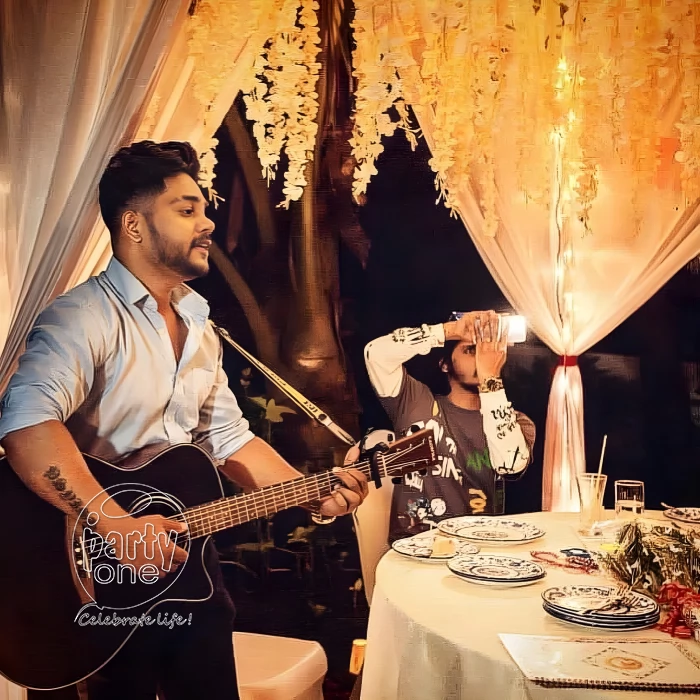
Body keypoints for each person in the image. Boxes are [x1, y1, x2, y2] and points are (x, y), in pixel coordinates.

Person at [0, 140, 368, 699]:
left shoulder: (198, 322)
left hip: (186, 566)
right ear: (133, 224)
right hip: (83, 583)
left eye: (205, 208)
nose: (208, 222)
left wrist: (308, 493)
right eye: (186, 209)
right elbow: (26, 425)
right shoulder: (82, 318)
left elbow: (226, 438)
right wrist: (114, 524)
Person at [362, 312, 535, 541]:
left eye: (486, 352)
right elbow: (375, 354)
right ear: (445, 365)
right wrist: (450, 330)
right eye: (470, 350)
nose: (480, 358)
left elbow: (510, 465)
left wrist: (490, 378)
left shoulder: (516, 421)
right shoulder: (416, 402)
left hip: (477, 546)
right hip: (413, 545)